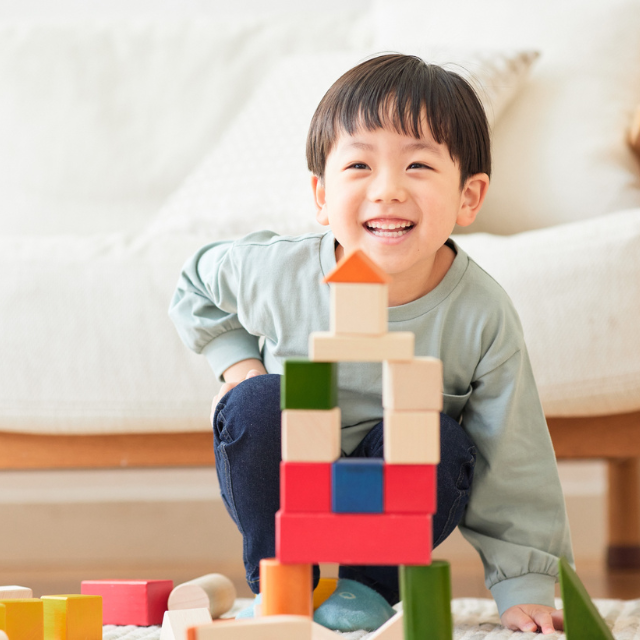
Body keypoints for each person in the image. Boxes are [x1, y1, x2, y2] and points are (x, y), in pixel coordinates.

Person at [169, 53, 573, 635]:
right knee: (255, 403)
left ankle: (368, 587)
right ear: (321, 195)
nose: (387, 191)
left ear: (469, 196)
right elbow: (195, 282)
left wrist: (526, 583)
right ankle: (283, 581)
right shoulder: (278, 271)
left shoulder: (481, 314)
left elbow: (514, 455)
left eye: (418, 167)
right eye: (359, 164)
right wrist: (238, 368)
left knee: (440, 437)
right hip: (292, 476)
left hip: (396, 483)